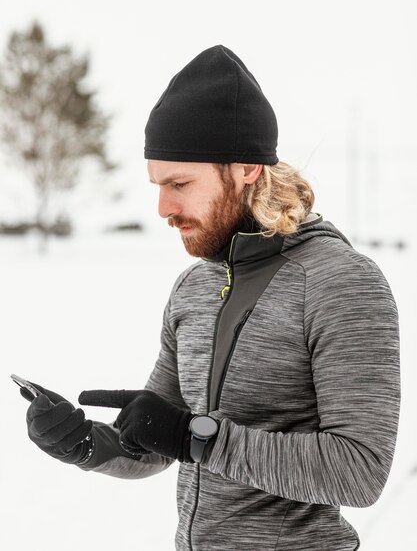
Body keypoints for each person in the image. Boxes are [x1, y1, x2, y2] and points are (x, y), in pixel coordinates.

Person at [20, 45, 401, 551]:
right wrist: (86, 443)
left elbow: (359, 472)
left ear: (246, 168)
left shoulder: (341, 285)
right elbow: (159, 442)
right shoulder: (194, 286)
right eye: (158, 184)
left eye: (179, 183)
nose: (163, 207)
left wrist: (196, 436)